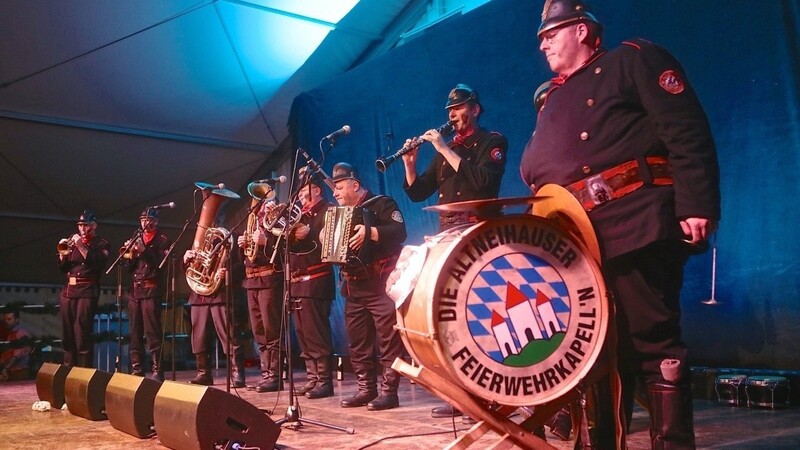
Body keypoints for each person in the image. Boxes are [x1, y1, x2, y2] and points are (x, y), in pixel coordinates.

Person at [521, 1, 720, 449]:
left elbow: (685, 129)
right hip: (579, 245)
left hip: (635, 222)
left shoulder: (631, 59)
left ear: (585, 31)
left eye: (554, 31)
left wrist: (696, 204)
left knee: (652, 341)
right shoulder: (552, 96)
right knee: (595, 354)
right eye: (541, 36)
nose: (544, 40)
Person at [401, 83, 508, 420]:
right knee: (453, 315)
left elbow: (483, 183)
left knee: (483, 312)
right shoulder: (444, 151)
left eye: (459, 108)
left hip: (477, 233)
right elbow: (419, 193)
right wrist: (410, 163)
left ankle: (492, 396)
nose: (452, 115)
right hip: (447, 233)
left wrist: (444, 147)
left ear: (475, 108)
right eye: (449, 110)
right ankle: (462, 395)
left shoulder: (492, 142)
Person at [332, 162, 407, 411]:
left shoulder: (382, 204)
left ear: (355, 185)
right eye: (334, 188)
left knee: (389, 340)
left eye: (340, 187)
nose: (335, 193)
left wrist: (371, 232)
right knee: (358, 342)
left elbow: (399, 231)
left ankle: (389, 392)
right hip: (353, 288)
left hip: (380, 284)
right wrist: (323, 236)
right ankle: (366, 390)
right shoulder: (338, 214)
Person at [287, 168, 336, 399]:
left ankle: (325, 381)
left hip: (316, 279)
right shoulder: (300, 214)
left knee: (316, 332)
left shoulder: (328, 210)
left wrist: (311, 234)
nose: (300, 196)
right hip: (298, 282)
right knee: (303, 333)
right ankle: (312, 377)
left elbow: (330, 244)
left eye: (304, 191)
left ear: (316, 190)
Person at [184, 233, 246, 388]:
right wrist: (185, 260)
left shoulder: (232, 238)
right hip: (200, 295)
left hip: (221, 294)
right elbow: (190, 269)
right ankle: (203, 373)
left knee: (229, 334)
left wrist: (227, 272)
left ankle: (237, 372)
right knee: (199, 336)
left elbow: (242, 265)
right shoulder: (199, 239)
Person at [237, 198, 285, 393]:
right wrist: (243, 245)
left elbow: (282, 251)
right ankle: (266, 373)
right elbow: (247, 258)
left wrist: (266, 241)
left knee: (271, 329)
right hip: (252, 282)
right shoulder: (253, 225)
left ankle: (275, 375)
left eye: (263, 202)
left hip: (269, 279)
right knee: (258, 331)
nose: (259, 206)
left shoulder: (276, 222)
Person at [57, 210, 110, 368]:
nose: (82, 228)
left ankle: (83, 372)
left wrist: (81, 245)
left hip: (87, 290)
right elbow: (63, 268)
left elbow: (98, 263)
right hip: (69, 290)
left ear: (93, 226)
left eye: (85, 225)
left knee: (82, 332)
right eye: (80, 225)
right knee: (67, 333)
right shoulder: (72, 241)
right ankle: (68, 368)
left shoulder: (101, 243)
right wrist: (62, 255)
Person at [123, 208, 171, 381]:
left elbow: (158, 264)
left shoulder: (163, 240)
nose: (145, 223)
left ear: (156, 222)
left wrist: (142, 249)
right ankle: (137, 368)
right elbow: (128, 269)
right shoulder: (137, 237)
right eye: (142, 219)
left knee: (152, 332)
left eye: (148, 220)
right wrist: (130, 255)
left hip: (151, 290)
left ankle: (157, 369)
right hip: (135, 292)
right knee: (135, 331)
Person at [0, 310, 33, 381]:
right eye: (5, 319)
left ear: (17, 319)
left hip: (20, 372)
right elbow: (9, 353)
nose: (6, 322)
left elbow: (17, 354)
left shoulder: (21, 333)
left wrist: (5, 368)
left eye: (9, 319)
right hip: (12, 371)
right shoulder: (11, 333)